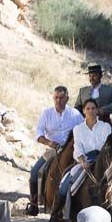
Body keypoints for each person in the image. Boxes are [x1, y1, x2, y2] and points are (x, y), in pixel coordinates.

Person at [50, 98, 111, 222]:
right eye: (88, 109)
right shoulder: (78, 129)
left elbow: (108, 146)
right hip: (85, 160)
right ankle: (55, 216)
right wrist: (82, 160)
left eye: (93, 108)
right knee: (64, 186)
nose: (90, 111)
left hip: (103, 161)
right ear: (83, 111)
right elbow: (77, 148)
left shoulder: (106, 127)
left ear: (97, 110)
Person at [29, 86, 84, 215]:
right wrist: (48, 142)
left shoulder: (75, 114)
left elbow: (83, 130)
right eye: (56, 98)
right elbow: (38, 134)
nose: (58, 101)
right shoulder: (46, 113)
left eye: (61, 98)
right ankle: (34, 203)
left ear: (67, 98)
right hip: (54, 150)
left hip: (73, 151)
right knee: (35, 172)